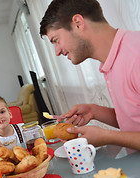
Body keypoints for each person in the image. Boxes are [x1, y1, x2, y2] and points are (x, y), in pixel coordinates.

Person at [39, 0, 140, 150]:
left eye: (56, 40)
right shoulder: (112, 62)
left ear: (78, 23)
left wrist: (108, 136)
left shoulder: (136, 55)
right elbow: (133, 122)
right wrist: (94, 111)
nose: (57, 51)